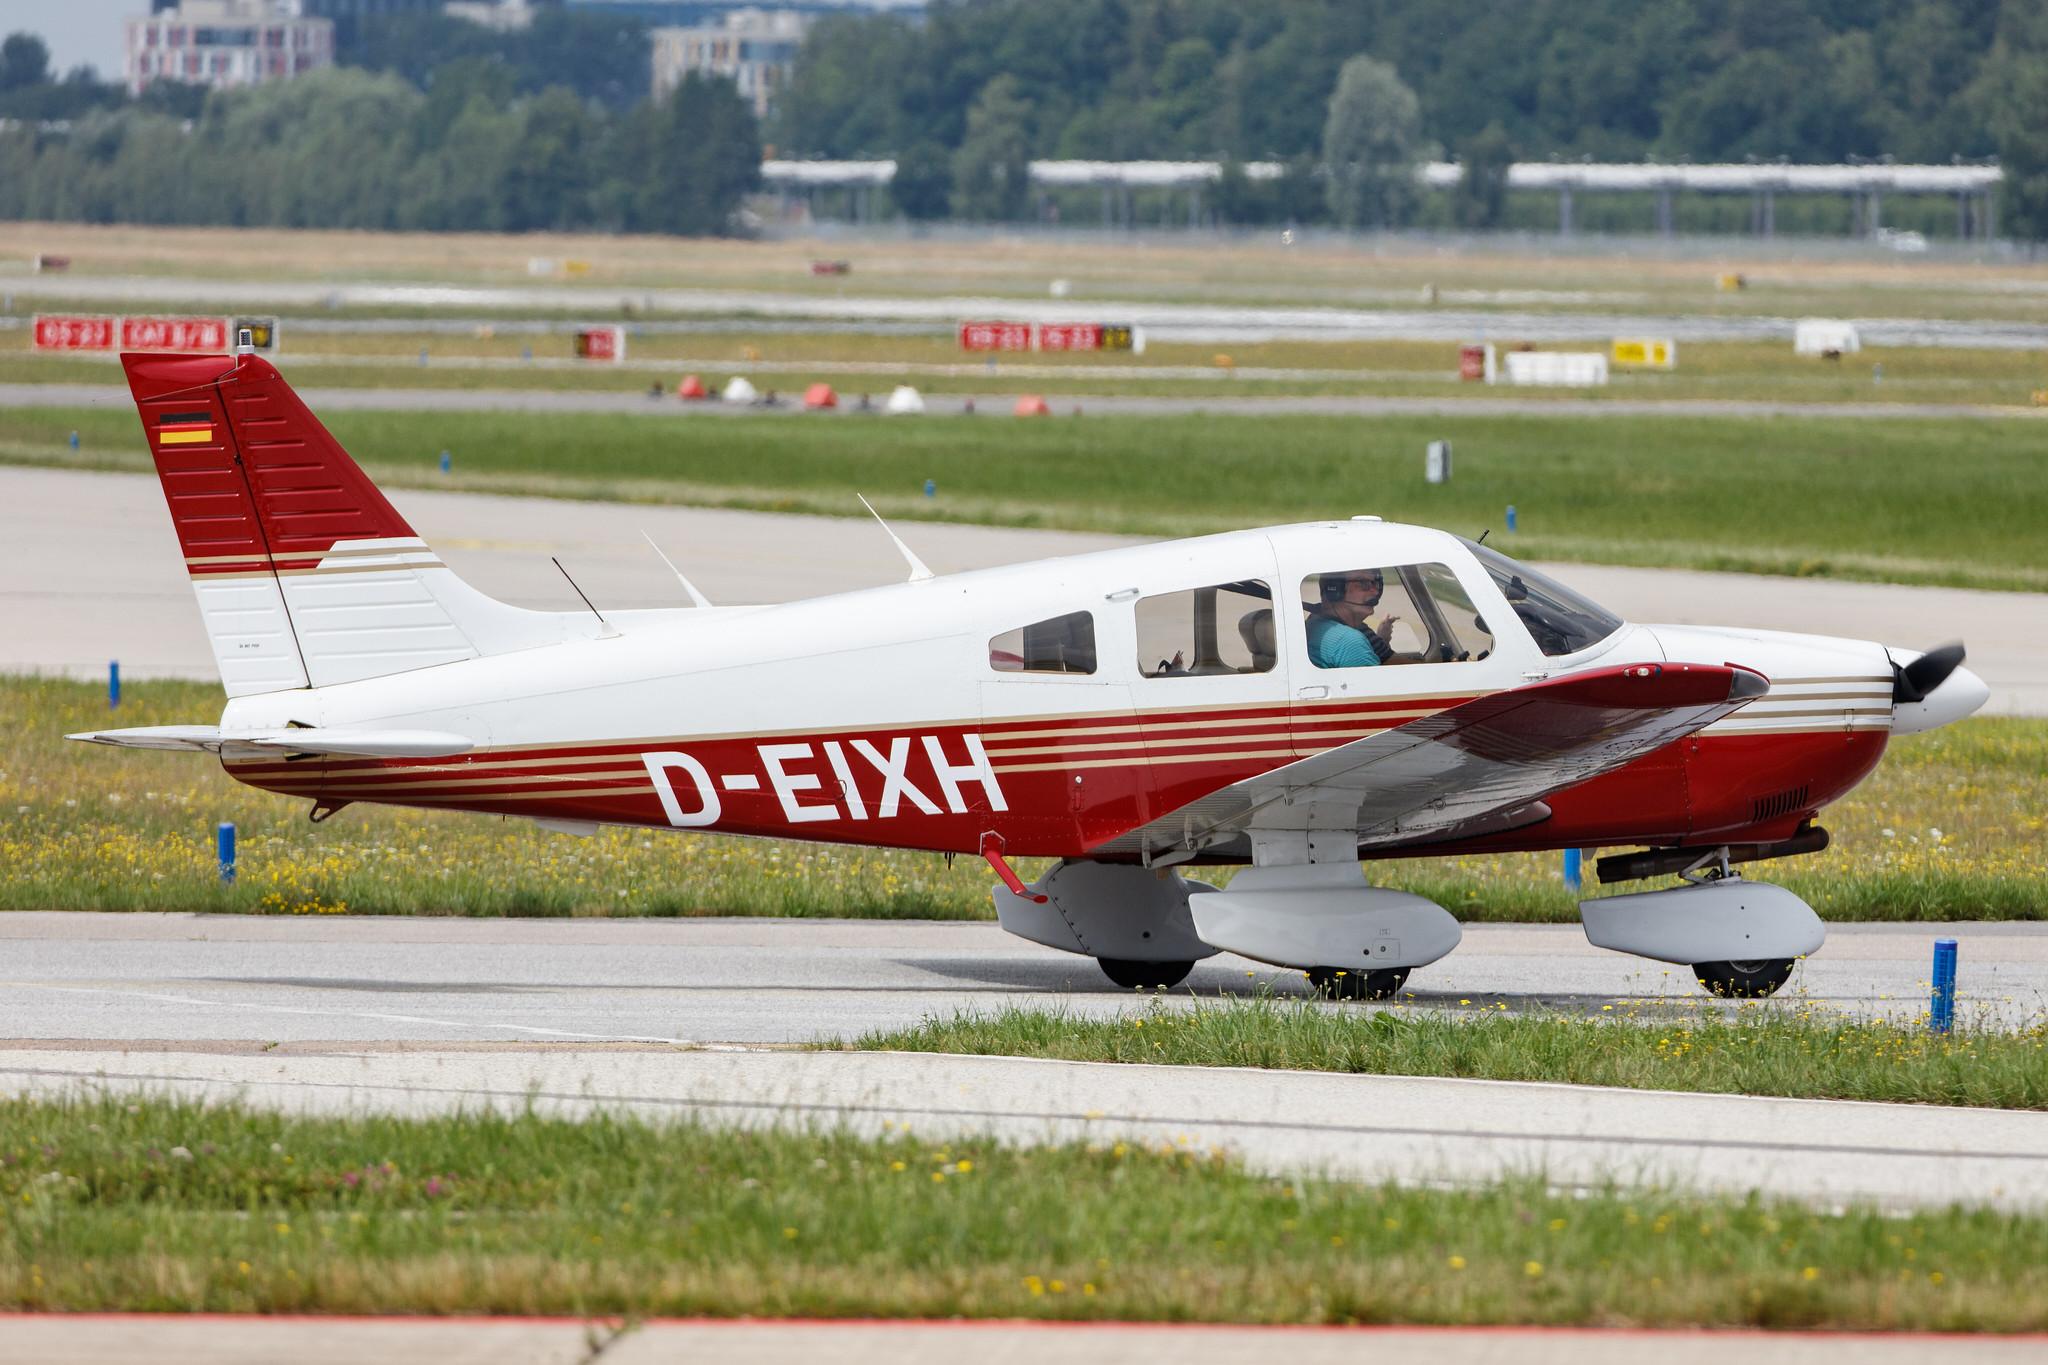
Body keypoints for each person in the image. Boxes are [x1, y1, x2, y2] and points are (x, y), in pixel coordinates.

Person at [1306, 570, 1399, 668]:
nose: (1375, 592)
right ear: (1334, 590)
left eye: (1375, 583)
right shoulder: (1349, 641)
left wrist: (1383, 639)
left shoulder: (1315, 620)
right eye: (1363, 584)